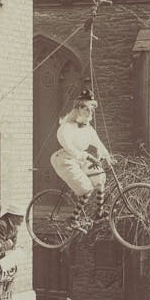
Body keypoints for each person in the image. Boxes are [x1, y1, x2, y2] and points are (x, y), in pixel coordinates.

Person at [49, 90, 111, 229]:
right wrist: (88, 156)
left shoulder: (88, 129)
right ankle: (73, 219)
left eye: (92, 110)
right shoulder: (66, 128)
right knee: (87, 188)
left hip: (81, 159)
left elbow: (98, 143)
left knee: (100, 177)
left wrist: (106, 155)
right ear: (78, 109)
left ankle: (99, 212)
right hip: (65, 159)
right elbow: (70, 148)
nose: (90, 113)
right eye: (87, 109)